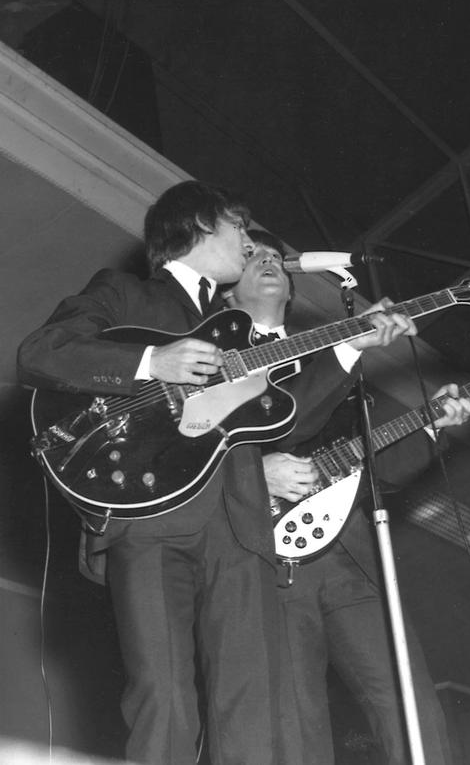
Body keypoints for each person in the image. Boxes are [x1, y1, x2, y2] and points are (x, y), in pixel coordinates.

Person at [16, 182, 417, 765]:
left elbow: (289, 414)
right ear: (201, 224)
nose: (250, 243)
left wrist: (355, 344)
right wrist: (153, 361)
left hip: (241, 525)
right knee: (166, 694)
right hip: (150, 514)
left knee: (255, 700)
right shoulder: (126, 293)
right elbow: (40, 352)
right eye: (240, 227)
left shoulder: (242, 325)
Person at [223, 229, 470, 765]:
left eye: (276, 256)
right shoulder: (209, 359)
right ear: (226, 290)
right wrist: (253, 472)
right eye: (251, 257)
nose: (269, 261)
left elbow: (371, 466)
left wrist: (431, 424)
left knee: (411, 706)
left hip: (354, 557)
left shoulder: (332, 359)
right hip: (269, 564)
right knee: (295, 723)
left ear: (293, 291)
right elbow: (180, 458)